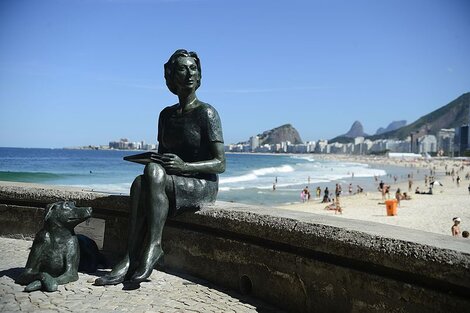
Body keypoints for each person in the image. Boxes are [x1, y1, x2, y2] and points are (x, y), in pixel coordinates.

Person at [95, 49, 226, 286]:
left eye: (193, 68)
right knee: (139, 183)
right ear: (171, 76)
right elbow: (161, 156)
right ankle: (130, 256)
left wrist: (185, 166)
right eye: (182, 69)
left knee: (150, 176)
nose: (189, 74)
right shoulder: (165, 116)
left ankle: (152, 247)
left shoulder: (207, 113)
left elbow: (220, 163)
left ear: (199, 76)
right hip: (171, 180)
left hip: (201, 183)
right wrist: (152, 160)